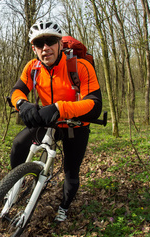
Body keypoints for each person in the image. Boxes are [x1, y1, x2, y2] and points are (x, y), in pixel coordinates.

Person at [9, 19, 102, 223]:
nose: (46, 48)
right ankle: (16, 185)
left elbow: (94, 105)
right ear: (34, 48)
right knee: (18, 145)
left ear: (60, 43)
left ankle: (64, 207)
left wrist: (60, 108)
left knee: (71, 171)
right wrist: (22, 104)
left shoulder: (80, 67)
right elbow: (16, 91)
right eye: (39, 44)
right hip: (47, 120)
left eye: (50, 41)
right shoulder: (33, 68)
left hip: (75, 125)